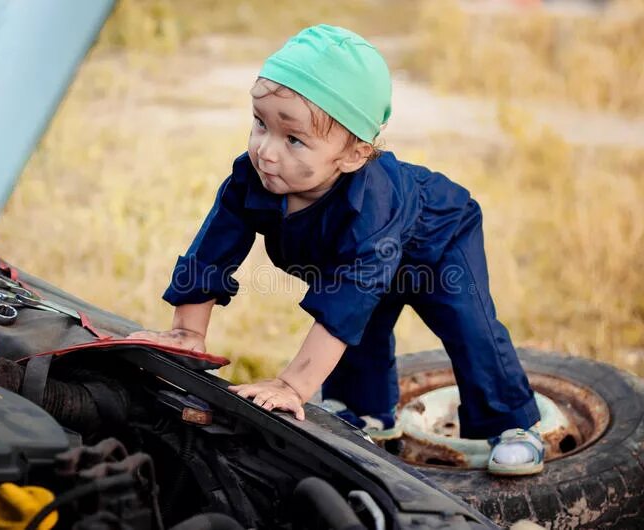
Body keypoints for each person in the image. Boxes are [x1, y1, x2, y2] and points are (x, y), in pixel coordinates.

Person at [130, 24, 544, 475]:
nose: (266, 151)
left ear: (352, 156)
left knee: (469, 327)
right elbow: (211, 250)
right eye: (260, 123)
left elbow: (345, 303)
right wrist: (188, 332)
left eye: (293, 139)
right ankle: (367, 414)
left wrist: (293, 384)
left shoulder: (371, 207)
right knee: (364, 333)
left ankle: (513, 423)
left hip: (438, 242)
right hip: (362, 264)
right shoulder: (254, 178)